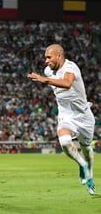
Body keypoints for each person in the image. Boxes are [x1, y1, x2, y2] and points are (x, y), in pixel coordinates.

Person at [27, 43, 95, 195]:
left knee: (86, 148)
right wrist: (46, 78)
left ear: (59, 56)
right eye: (45, 58)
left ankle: (89, 173)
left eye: (48, 57)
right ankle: (82, 164)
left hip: (84, 115)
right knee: (64, 141)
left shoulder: (70, 67)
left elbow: (67, 83)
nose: (46, 61)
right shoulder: (47, 71)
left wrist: (45, 80)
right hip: (66, 114)